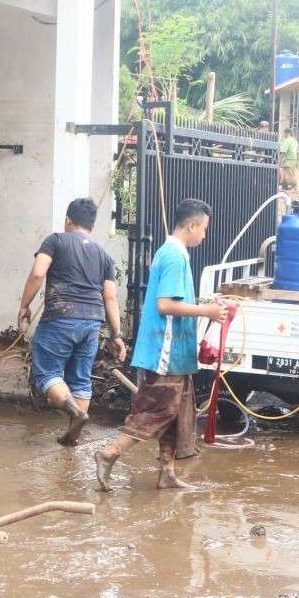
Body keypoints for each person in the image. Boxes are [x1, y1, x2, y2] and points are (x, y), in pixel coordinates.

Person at [94, 199, 227, 491]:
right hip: (164, 353)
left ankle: (167, 472)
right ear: (191, 226)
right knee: (159, 411)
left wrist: (204, 306)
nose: (204, 235)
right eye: (203, 229)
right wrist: (207, 312)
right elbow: (165, 304)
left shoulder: (171, 253)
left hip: (173, 353)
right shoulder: (174, 257)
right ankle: (109, 453)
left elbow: (174, 301)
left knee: (176, 412)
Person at [20, 198, 127, 446]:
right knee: (80, 378)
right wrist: (117, 335)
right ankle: (72, 436)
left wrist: (25, 304)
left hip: (60, 316)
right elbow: (110, 296)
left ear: (69, 219)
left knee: (46, 373)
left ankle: (76, 413)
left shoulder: (56, 240)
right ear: (92, 225)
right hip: (92, 322)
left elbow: (38, 272)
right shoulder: (103, 255)